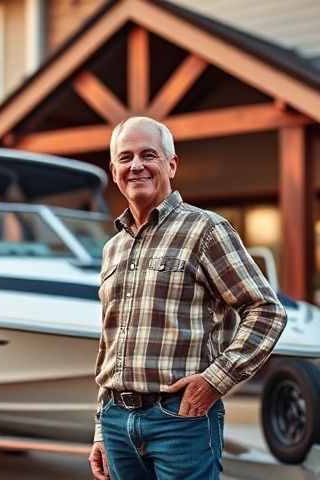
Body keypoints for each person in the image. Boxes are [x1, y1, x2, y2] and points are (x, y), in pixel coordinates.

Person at [88, 117, 287, 480]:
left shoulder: (206, 230)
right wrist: (102, 428)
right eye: (125, 157)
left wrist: (215, 380)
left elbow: (266, 311)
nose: (136, 166)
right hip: (117, 422)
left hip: (180, 419)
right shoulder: (113, 248)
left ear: (171, 164)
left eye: (149, 155)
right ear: (114, 169)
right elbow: (110, 343)